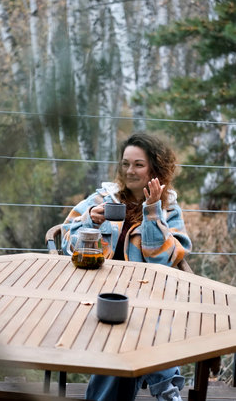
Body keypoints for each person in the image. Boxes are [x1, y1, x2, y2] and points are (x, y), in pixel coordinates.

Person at [61, 132, 192, 401]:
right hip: (95, 292)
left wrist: (152, 210)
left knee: (130, 333)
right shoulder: (103, 198)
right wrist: (90, 224)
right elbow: (68, 243)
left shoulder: (169, 208)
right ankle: (167, 388)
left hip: (147, 297)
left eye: (138, 164)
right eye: (125, 164)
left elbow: (162, 261)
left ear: (155, 169)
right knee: (130, 332)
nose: (130, 171)